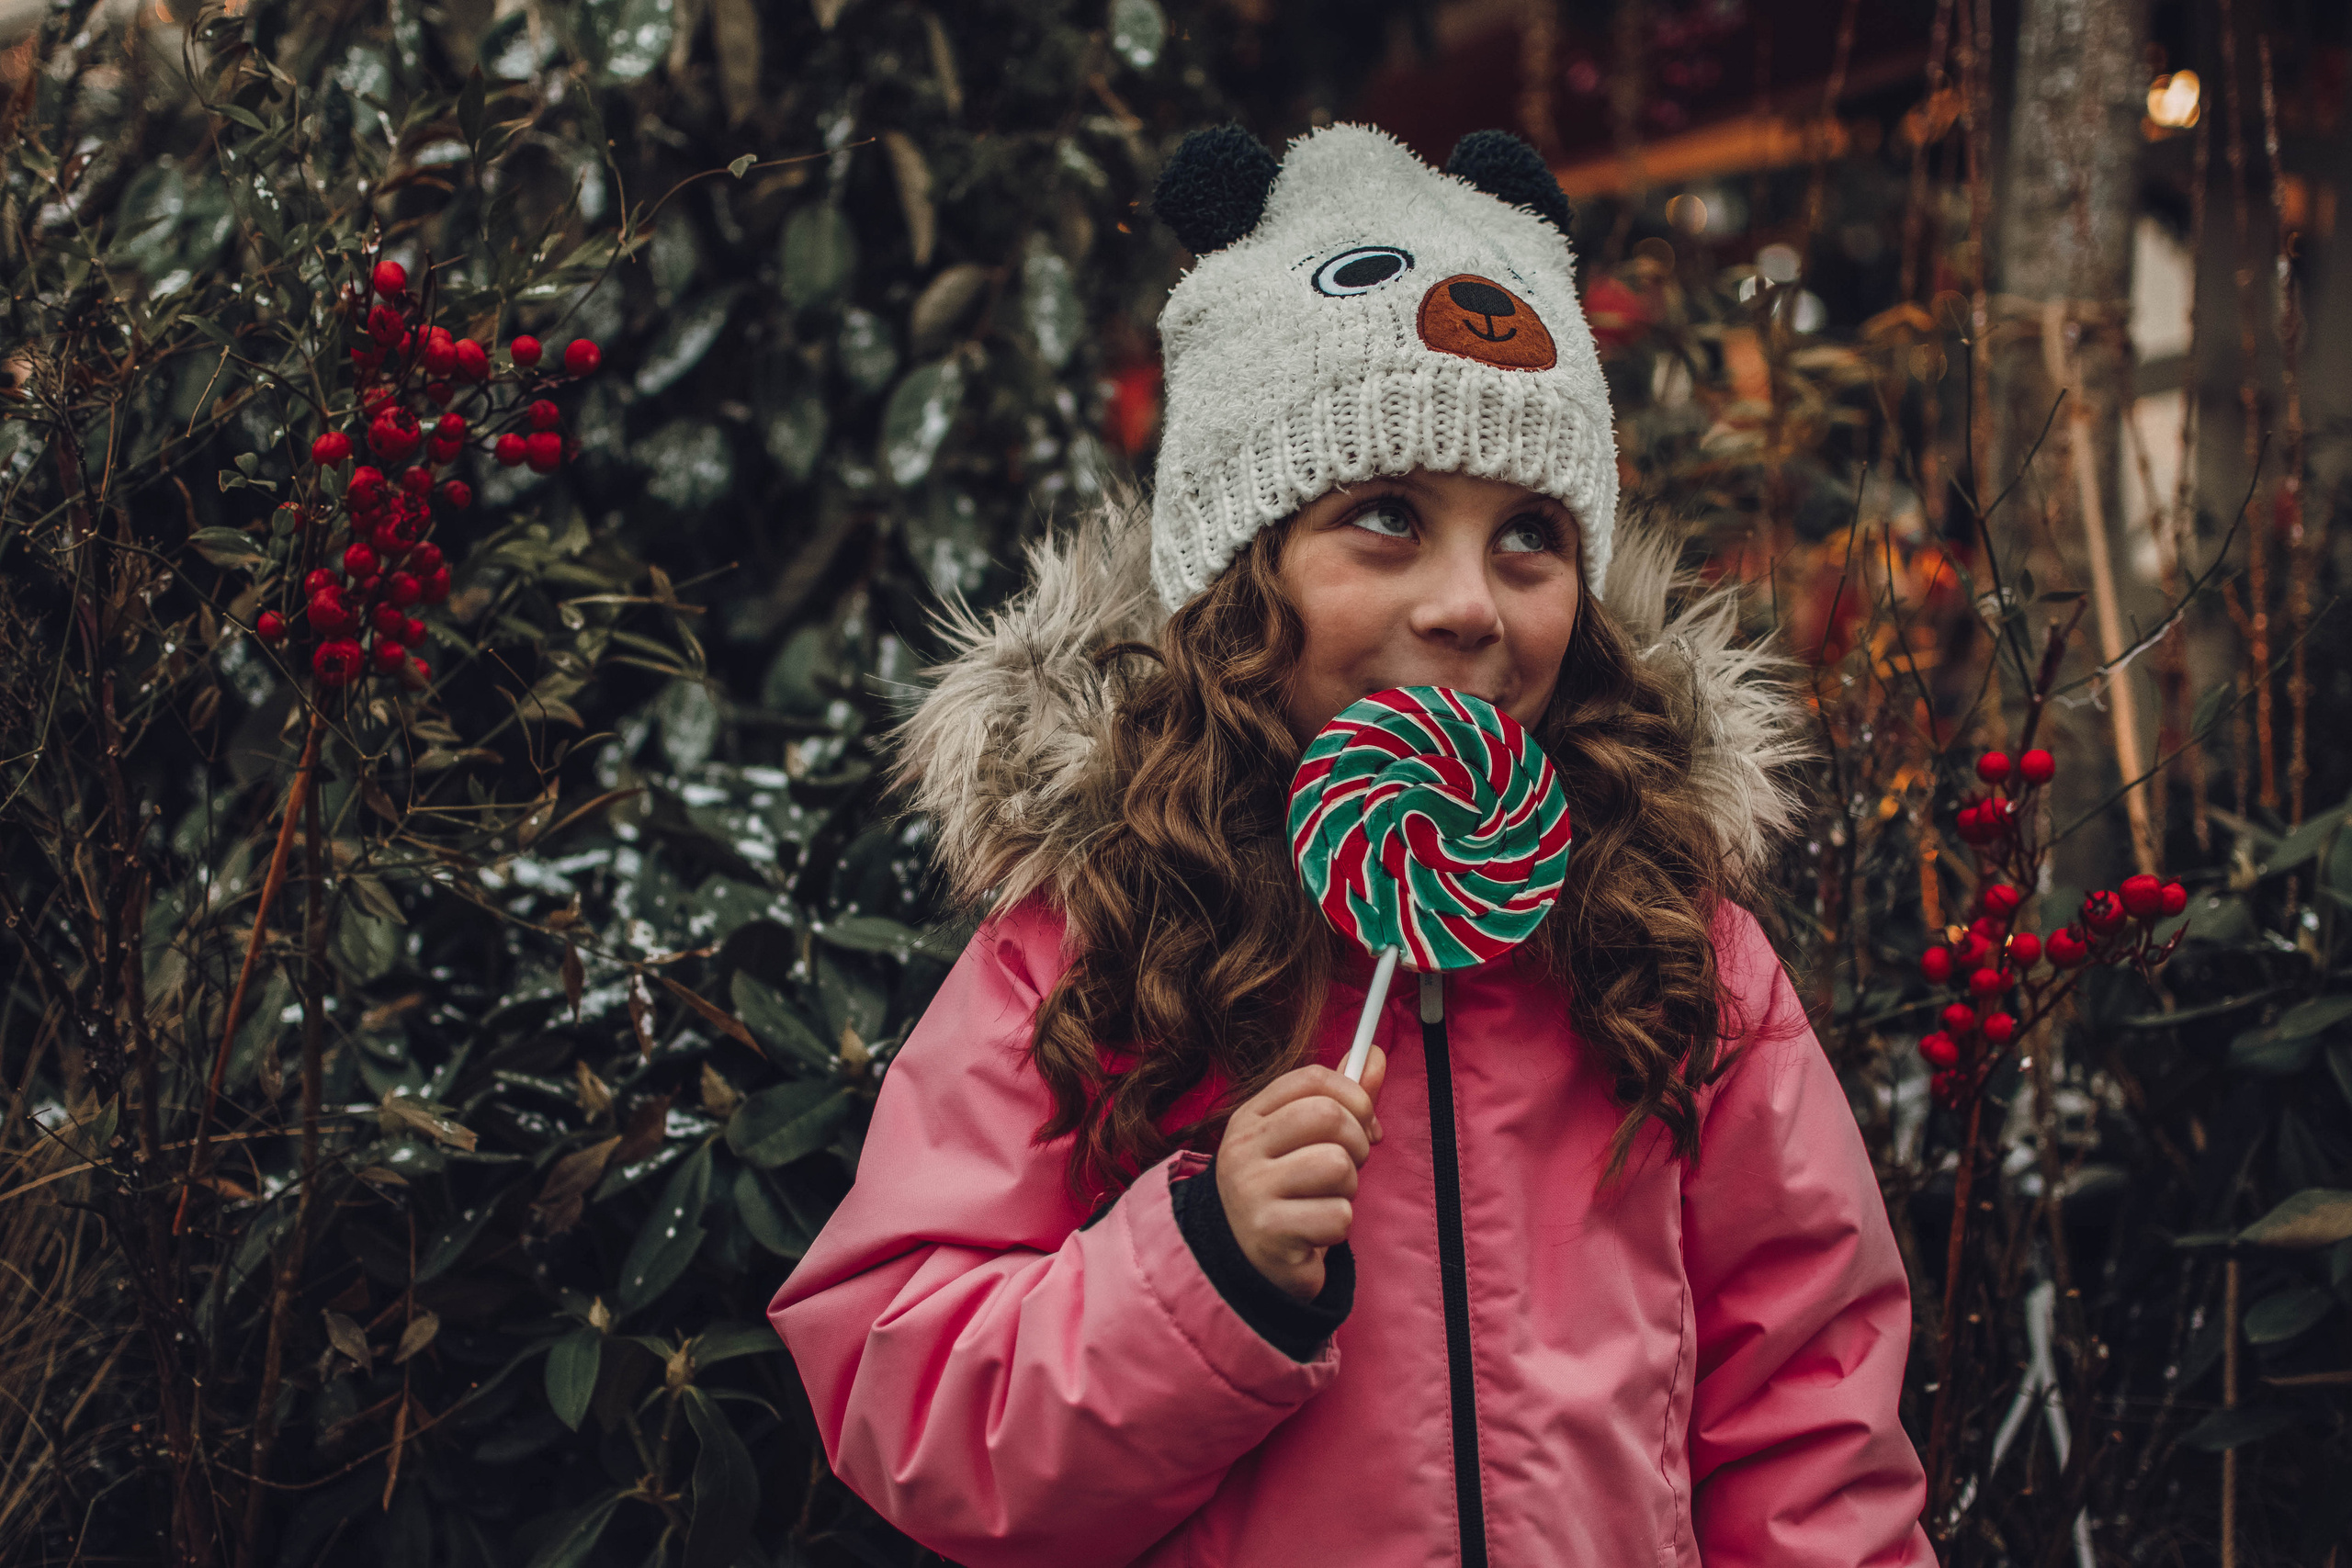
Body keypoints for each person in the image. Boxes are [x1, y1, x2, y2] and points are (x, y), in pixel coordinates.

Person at [771, 122, 1933, 1567]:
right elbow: (907, 1393)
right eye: (1386, 518)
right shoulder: (1098, 940)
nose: (1471, 603)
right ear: (1237, 575)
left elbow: (1809, 1410)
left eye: (1530, 537)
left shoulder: (1673, 946)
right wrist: (1207, 1273)